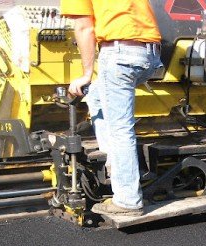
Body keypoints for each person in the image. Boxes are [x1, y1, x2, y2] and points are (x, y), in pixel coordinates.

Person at [61, 0, 163, 216]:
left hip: (120, 55)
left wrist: (86, 74)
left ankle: (127, 201)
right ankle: (115, 163)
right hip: (150, 54)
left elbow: (84, 28)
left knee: (120, 130)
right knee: (96, 95)